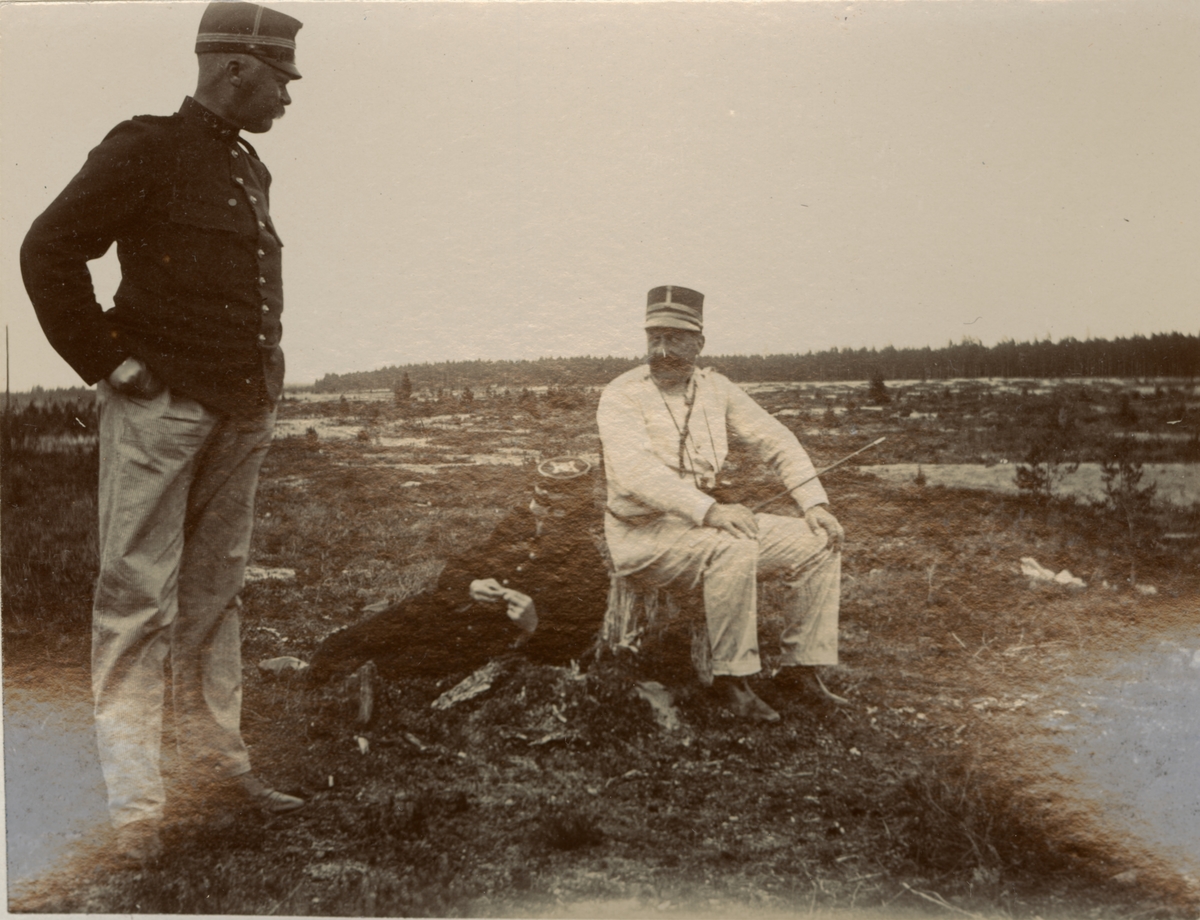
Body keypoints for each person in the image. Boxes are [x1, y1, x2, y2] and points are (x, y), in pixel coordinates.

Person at [20, 2, 306, 863]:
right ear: (234, 67)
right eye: (281, 78)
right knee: (137, 600)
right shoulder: (145, 145)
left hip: (240, 409)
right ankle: (137, 808)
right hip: (161, 412)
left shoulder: (247, 166)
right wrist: (109, 361)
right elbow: (47, 248)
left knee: (216, 596)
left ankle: (218, 771)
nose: (289, 95)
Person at [597, 286, 846, 723]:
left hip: (698, 528)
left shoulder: (717, 389)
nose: (661, 350)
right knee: (734, 545)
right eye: (654, 337)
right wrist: (710, 511)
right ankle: (732, 680)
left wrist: (814, 504)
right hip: (642, 537)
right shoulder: (622, 394)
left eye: (675, 338)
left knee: (818, 541)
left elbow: (777, 441)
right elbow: (637, 473)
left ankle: (801, 669)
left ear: (699, 342)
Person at [309, 458, 608, 684]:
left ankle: (345, 688)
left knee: (394, 668)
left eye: (556, 511)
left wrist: (534, 625)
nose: (539, 517)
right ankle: (315, 671)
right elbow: (461, 566)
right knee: (351, 642)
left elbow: (579, 645)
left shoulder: (587, 563)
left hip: (484, 642)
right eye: (539, 502)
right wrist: (471, 585)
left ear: (577, 516)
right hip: (448, 610)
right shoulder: (517, 523)